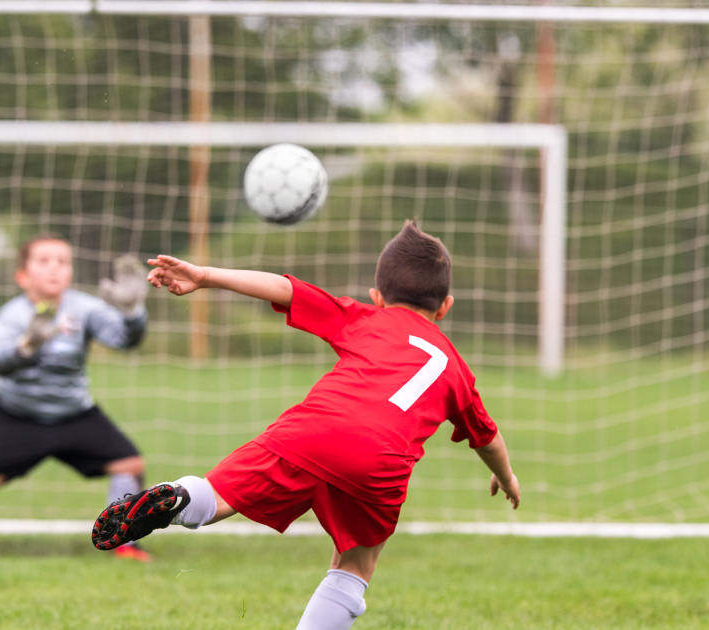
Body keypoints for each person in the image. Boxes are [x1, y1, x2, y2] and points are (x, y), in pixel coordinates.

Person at [92, 221, 521, 629]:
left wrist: (205, 275)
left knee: (219, 495)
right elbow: (488, 439)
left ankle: (180, 498)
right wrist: (506, 478)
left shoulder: (364, 317)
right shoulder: (455, 369)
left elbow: (286, 288)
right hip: (381, 463)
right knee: (355, 564)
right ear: (445, 307)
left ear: (377, 296)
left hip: (312, 431)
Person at [0, 234, 154, 563]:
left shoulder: (84, 308)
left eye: (62, 261)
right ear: (22, 276)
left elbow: (125, 340)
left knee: (130, 465)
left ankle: (125, 544)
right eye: (44, 261)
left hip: (75, 414)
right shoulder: (11, 315)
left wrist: (133, 312)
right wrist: (26, 347)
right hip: (18, 416)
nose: (54, 268)